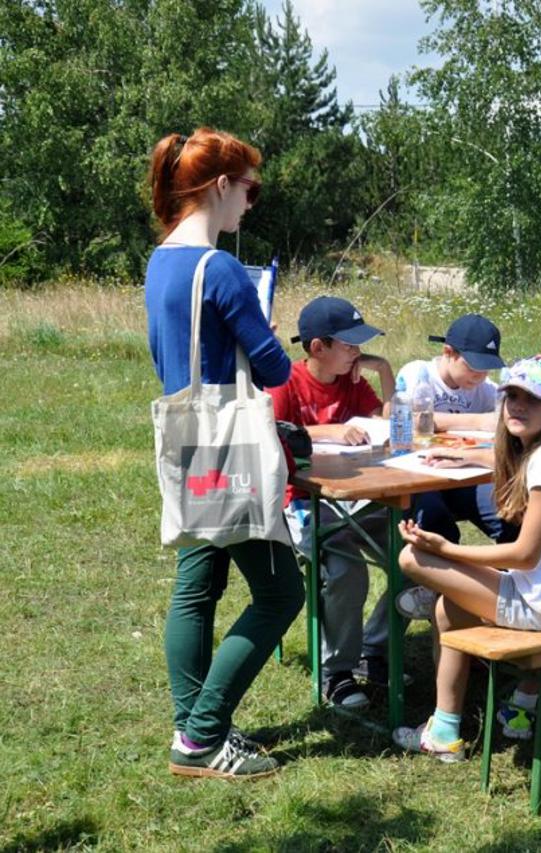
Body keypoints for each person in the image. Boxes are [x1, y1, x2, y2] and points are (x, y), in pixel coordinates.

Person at [144, 127, 303, 780]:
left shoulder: (161, 261)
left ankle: (193, 726)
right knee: (280, 592)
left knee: (198, 583)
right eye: (248, 189)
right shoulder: (222, 267)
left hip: (185, 437)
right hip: (230, 442)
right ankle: (204, 734)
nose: (249, 203)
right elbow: (272, 368)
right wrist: (264, 325)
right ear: (219, 187)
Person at [391, 357, 541, 761]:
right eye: (512, 397)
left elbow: (524, 555)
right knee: (449, 609)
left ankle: (435, 586)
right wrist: (470, 459)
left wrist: (447, 551)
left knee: (413, 557)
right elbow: (519, 470)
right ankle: (445, 730)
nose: (518, 406)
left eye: (532, 400)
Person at [269, 295, 407, 711]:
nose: (357, 354)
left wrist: (384, 372)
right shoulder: (285, 381)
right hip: (303, 504)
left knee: (418, 554)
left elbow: (389, 427)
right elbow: (273, 433)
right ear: (318, 348)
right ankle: (337, 673)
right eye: (349, 346)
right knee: (347, 571)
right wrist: (331, 430)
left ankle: (373, 649)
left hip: (357, 498)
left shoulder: (352, 381)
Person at [398, 314, 513, 544]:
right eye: (473, 366)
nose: (480, 375)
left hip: (464, 477)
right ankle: (435, 579)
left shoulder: (485, 388)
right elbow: (409, 420)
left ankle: (504, 578)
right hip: (420, 476)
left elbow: (506, 419)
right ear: (448, 353)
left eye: (487, 368)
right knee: (434, 523)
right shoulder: (419, 373)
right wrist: (479, 421)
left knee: (509, 517)